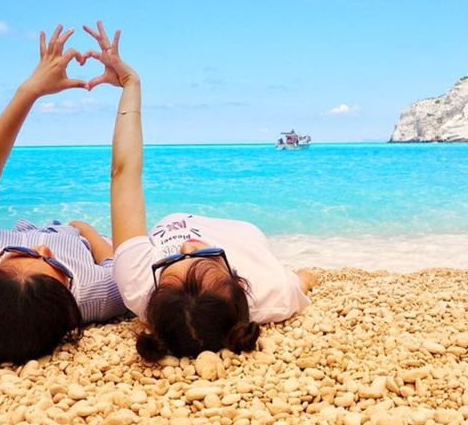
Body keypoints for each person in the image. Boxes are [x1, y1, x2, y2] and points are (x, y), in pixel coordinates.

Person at [84, 20, 317, 362]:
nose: (187, 246)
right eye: (207, 259)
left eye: (173, 262)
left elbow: (124, 175)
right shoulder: (271, 293)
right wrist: (305, 278)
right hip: (243, 233)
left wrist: (131, 87)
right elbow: (303, 280)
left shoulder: (137, 282)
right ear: (240, 284)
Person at [0, 25, 127, 372]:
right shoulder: (96, 294)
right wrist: (87, 231)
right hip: (82, 237)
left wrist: (30, 91)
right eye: (56, 269)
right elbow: (116, 265)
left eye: (16, 256)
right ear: (69, 307)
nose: (44, 251)